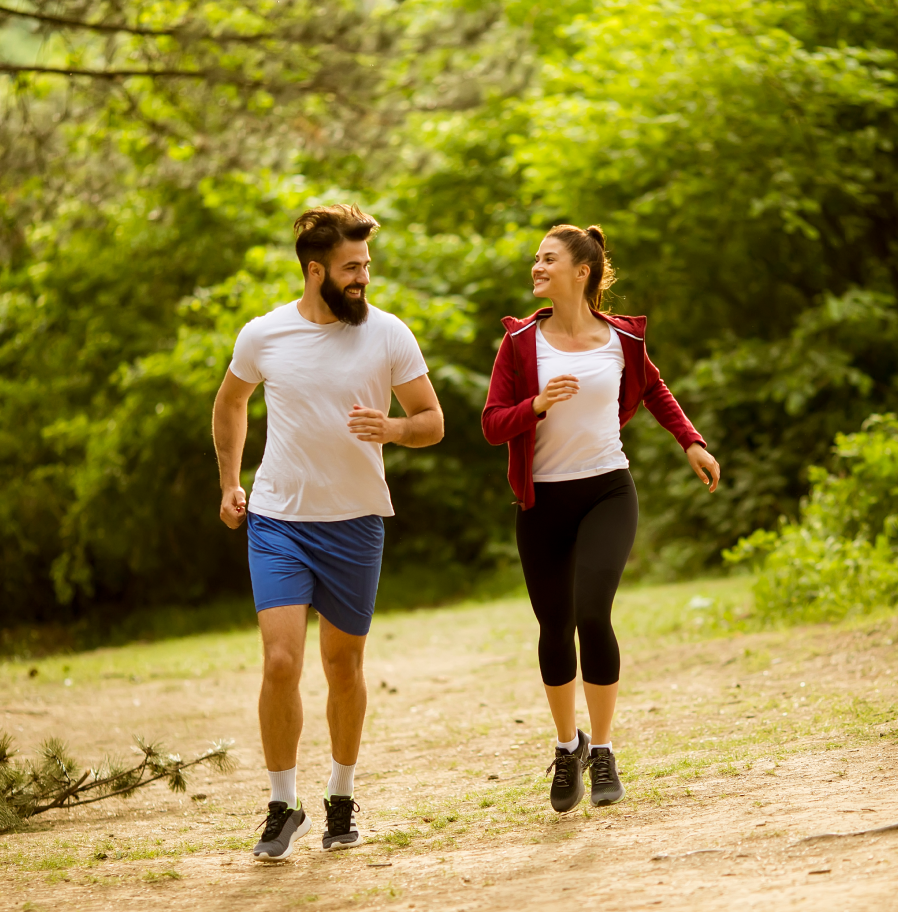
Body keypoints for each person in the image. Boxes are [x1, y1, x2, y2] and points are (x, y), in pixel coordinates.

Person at [212, 204, 444, 860]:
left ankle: (340, 794)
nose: (363, 278)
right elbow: (231, 401)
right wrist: (231, 481)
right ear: (316, 271)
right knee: (280, 660)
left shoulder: (388, 334)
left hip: (355, 522)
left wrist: (394, 429)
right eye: (351, 267)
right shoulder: (265, 335)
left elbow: (431, 419)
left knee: (343, 666)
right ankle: (282, 805)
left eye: (366, 266)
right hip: (279, 518)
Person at [481, 224, 720, 813]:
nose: (536, 267)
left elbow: (656, 389)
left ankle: (606, 749)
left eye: (548, 259)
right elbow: (491, 424)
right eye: (535, 259)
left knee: (593, 612)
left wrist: (690, 441)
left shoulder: (621, 340)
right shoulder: (519, 345)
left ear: (581, 271)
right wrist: (534, 405)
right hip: (542, 502)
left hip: (608, 490)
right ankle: (569, 749)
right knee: (555, 627)